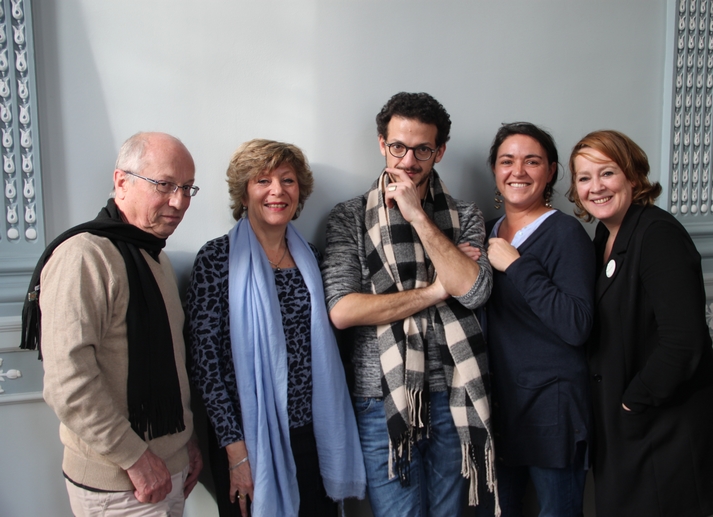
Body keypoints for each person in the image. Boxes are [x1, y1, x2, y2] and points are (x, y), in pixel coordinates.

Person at [321, 92, 496, 517]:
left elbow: (474, 291)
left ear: (440, 151)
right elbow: (344, 310)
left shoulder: (465, 215)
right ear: (382, 144)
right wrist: (438, 290)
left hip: (456, 392)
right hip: (381, 396)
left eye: (422, 149)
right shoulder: (349, 217)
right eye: (398, 147)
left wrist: (417, 215)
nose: (408, 161)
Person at [567, 129, 713, 517]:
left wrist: (632, 403)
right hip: (631, 426)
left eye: (607, 173)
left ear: (633, 177)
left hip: (664, 422)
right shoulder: (605, 233)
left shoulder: (658, 235)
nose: (595, 187)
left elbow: (684, 342)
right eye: (584, 178)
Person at [20, 132, 203, 516]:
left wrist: (186, 441)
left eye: (187, 188)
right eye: (165, 184)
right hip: (122, 486)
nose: (179, 201)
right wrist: (137, 459)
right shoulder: (84, 257)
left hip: (169, 473)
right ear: (122, 182)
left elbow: (171, 365)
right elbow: (68, 384)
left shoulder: (155, 257)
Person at [187, 139, 366, 517]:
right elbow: (205, 365)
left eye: (287, 180)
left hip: (314, 435)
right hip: (249, 440)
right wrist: (236, 452)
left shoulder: (313, 260)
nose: (277, 191)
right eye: (262, 181)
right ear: (244, 192)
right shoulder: (217, 259)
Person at [476, 123, 594, 517]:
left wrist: (519, 266)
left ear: (551, 171)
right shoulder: (491, 231)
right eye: (507, 161)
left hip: (551, 407)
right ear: (495, 170)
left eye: (532, 161)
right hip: (503, 404)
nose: (518, 171)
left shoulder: (565, 233)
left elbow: (576, 324)